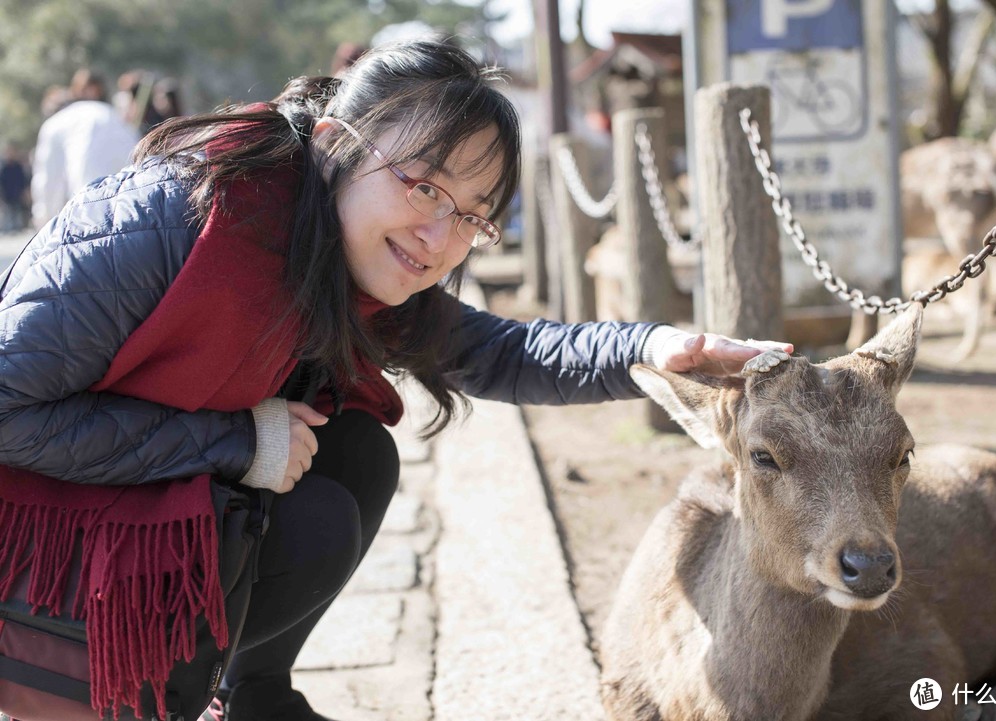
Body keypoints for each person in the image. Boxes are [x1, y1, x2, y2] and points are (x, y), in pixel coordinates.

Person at [0, 39, 791, 721]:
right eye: (423, 185)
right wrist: (235, 440)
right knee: (307, 500)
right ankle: (148, 692)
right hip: (27, 542)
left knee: (352, 454)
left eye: (473, 214)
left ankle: (252, 694)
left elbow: (497, 351)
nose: (440, 236)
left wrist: (654, 347)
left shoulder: (333, 244)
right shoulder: (179, 221)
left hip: (121, 491)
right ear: (340, 140)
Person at [30, 68, 139, 226]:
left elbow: (48, 181)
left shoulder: (56, 123)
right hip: (127, 215)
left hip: (82, 217)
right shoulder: (121, 122)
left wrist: (44, 221)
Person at [0, 143, 29, 231]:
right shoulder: (4, 167)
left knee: (17, 212)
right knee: (8, 213)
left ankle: (17, 228)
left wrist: (25, 192)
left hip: (17, 194)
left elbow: (23, 180)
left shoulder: (18, 166)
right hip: (7, 195)